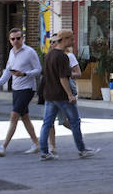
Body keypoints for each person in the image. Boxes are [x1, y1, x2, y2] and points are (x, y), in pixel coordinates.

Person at [37, 31, 98, 160]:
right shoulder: (62, 57)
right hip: (61, 96)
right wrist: (70, 95)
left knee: (47, 123)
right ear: (64, 39)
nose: (73, 41)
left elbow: (46, 75)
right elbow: (63, 78)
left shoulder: (48, 55)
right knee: (75, 122)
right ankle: (82, 149)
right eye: (71, 39)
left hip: (49, 94)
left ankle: (44, 151)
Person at [0, 28, 42, 156]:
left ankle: (3, 147)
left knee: (14, 115)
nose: (16, 41)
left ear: (23, 38)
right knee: (25, 118)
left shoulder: (30, 52)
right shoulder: (11, 53)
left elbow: (38, 70)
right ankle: (37, 144)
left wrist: (24, 74)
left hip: (28, 89)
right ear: (10, 40)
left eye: (18, 38)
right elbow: (8, 71)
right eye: (13, 39)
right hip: (16, 89)